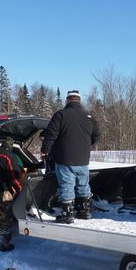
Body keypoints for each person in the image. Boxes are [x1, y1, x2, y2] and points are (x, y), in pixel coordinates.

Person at [41, 89, 100, 223]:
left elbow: (51, 134)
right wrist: (85, 144)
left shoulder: (61, 115)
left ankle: (67, 214)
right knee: (83, 184)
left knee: (67, 184)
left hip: (65, 158)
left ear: (67, 100)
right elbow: (96, 135)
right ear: (79, 100)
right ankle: (84, 211)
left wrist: (45, 150)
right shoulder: (89, 117)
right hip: (83, 159)